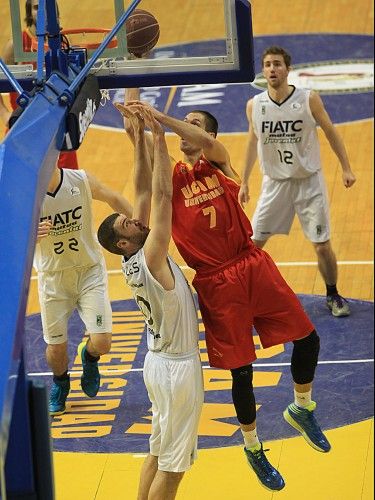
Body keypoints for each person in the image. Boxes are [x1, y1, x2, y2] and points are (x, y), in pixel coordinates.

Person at [125, 95, 331, 491]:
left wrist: (164, 119)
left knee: (308, 338)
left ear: (209, 134)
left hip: (252, 264)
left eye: (195, 123)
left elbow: (205, 142)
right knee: (242, 371)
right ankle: (253, 447)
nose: (187, 128)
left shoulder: (219, 161)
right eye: (185, 123)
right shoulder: (172, 180)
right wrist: (141, 131)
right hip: (216, 282)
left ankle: (302, 408)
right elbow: (145, 186)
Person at [97, 102, 204, 500]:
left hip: (157, 365)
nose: (137, 220)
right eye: (130, 224)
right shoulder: (152, 254)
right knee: (174, 469)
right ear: (124, 242)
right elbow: (160, 194)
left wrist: (138, 141)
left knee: (157, 453)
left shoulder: (133, 255)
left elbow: (141, 190)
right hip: (176, 370)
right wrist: (159, 134)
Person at [240, 45, 356, 317]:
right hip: (275, 184)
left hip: (308, 182)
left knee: (322, 244)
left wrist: (346, 167)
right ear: (263, 70)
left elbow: (330, 131)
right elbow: (251, 140)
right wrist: (244, 181)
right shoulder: (254, 105)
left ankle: (332, 293)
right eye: (267, 64)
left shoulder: (308, 99)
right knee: (253, 243)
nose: (272, 69)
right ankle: (246, 297)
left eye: (277, 64)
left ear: (288, 69)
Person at [35, 163, 132, 415]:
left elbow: (114, 197)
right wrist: (28, 233)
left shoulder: (80, 180)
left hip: (89, 271)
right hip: (53, 279)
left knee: (103, 342)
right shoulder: (27, 194)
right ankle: (60, 383)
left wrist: (143, 233)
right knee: (56, 347)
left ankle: (89, 356)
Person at [0, 0, 79, 169]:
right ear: (29, 13)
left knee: (67, 189)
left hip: (58, 128)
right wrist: (4, 113)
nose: (42, 11)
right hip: (23, 128)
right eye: (36, 7)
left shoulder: (64, 42)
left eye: (45, 6)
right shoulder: (16, 45)